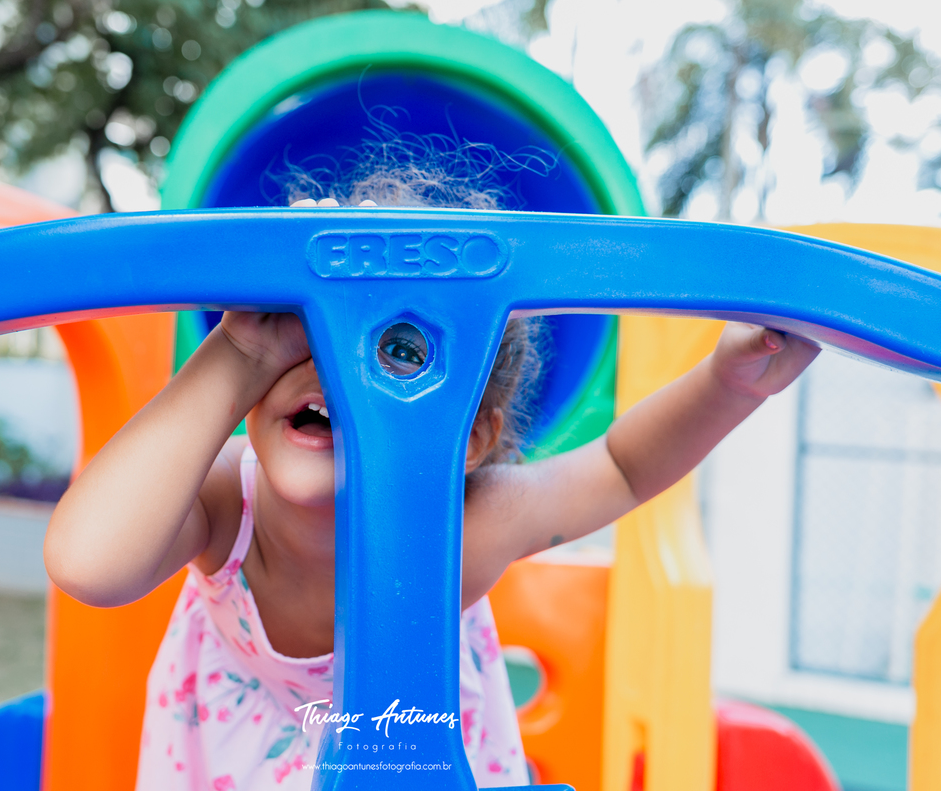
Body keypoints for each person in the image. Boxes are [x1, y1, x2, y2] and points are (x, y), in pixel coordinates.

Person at [43, 180, 819, 790]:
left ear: (472, 437)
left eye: (400, 349)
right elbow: (90, 564)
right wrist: (241, 346)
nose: (336, 368)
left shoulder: (471, 524)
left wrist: (732, 382)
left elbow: (620, 465)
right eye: (304, 330)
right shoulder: (223, 505)